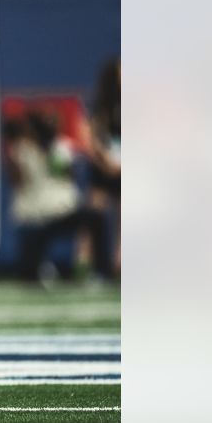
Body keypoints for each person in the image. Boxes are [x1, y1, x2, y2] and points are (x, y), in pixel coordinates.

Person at [3, 109, 111, 283]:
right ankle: (39, 268)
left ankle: (101, 272)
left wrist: (50, 154)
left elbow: (68, 174)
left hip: (62, 212)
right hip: (36, 217)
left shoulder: (61, 147)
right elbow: (18, 180)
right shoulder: (22, 150)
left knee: (95, 218)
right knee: (28, 274)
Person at [85, 58, 120, 275]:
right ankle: (85, 263)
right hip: (103, 165)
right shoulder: (101, 104)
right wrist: (104, 159)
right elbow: (91, 135)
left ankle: (120, 264)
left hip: (124, 166)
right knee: (94, 213)